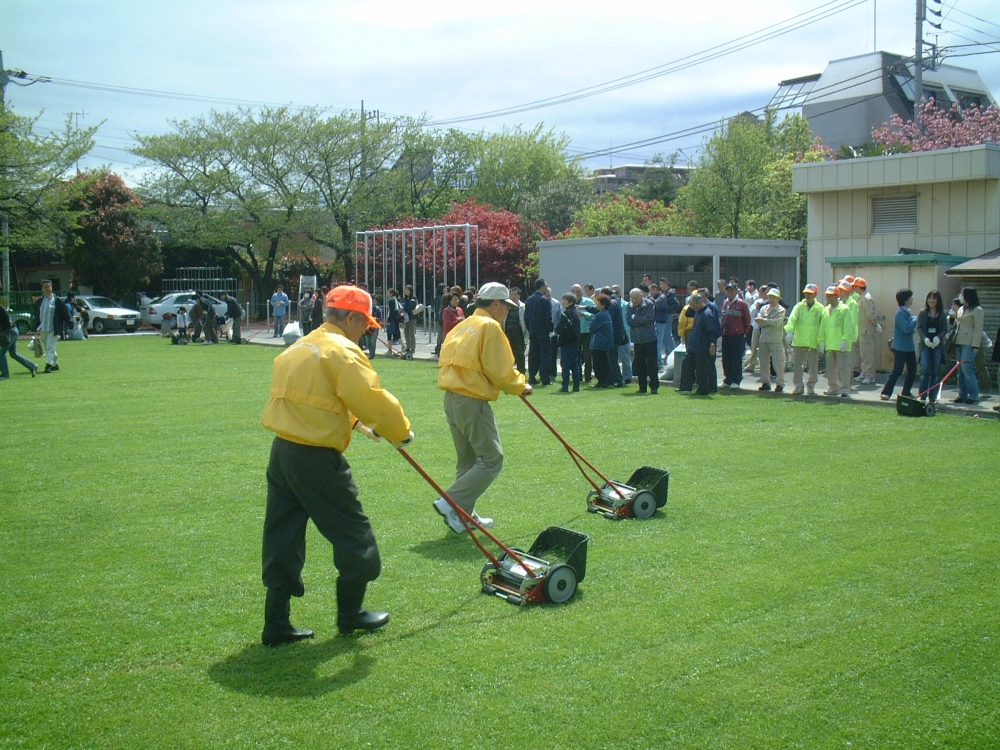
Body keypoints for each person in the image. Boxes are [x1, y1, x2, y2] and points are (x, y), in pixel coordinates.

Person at [260, 285, 412, 646]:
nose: (366, 331)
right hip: (315, 458)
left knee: (282, 538)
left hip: (283, 453)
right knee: (353, 534)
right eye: (365, 325)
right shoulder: (343, 351)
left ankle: (276, 624)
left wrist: (356, 424)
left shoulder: (300, 346)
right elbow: (374, 399)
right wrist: (401, 433)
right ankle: (351, 615)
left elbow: (315, 398)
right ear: (352, 317)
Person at [434, 282, 532, 533]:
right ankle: (452, 502)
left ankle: (464, 516)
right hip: (471, 398)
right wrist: (520, 385)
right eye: (506, 307)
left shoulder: (463, 324)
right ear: (496, 304)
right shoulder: (490, 326)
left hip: (451, 397)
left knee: (467, 461)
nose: (508, 311)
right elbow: (499, 368)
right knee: (491, 458)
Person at [784, 284, 825, 395]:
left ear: (815, 294)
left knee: (813, 366)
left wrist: (821, 340)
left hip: (813, 341)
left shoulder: (820, 308)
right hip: (799, 340)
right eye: (806, 293)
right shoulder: (799, 306)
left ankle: (811, 386)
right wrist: (790, 332)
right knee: (797, 365)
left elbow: (823, 325)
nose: (808, 295)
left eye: (810, 293)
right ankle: (798, 386)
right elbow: (792, 319)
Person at [879, 289, 918, 401]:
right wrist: (916, 319)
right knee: (897, 370)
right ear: (905, 299)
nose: (912, 299)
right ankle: (886, 392)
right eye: (911, 297)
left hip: (909, 346)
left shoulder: (907, 311)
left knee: (912, 370)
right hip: (900, 347)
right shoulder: (900, 312)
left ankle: (906, 392)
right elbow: (906, 328)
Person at [951, 286, 984, 404]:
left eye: (962, 294)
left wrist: (976, 345)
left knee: (966, 368)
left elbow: (978, 329)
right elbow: (956, 324)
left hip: (969, 343)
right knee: (959, 369)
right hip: (958, 341)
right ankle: (962, 394)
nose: (961, 297)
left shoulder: (977, 310)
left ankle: (974, 395)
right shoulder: (961, 309)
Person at [684, 293, 721, 395]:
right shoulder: (698, 312)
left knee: (703, 370)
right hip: (696, 345)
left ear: (700, 302)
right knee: (692, 367)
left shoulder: (707, 314)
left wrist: (712, 344)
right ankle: (691, 387)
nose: (692, 307)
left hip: (703, 346)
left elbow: (712, 330)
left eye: (693, 305)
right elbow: (688, 313)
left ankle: (704, 389)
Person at [33, 280, 73, 373]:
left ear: (51, 288)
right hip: (43, 328)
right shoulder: (39, 301)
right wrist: (35, 327)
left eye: (48, 286)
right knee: (49, 347)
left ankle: (48, 365)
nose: (47, 289)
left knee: (50, 346)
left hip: (54, 328)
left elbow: (65, 313)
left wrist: (70, 323)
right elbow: (36, 315)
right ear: (42, 289)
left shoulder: (57, 300)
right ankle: (55, 364)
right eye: (45, 287)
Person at [916, 291, 946, 403]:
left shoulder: (942, 314)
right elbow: (918, 328)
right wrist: (925, 338)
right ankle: (922, 396)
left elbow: (944, 329)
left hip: (937, 346)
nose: (931, 301)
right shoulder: (922, 313)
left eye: (934, 298)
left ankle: (933, 397)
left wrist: (939, 337)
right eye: (929, 298)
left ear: (938, 300)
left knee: (936, 371)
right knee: (925, 369)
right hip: (926, 345)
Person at [626, 288, 658, 394]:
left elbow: (649, 319)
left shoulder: (649, 304)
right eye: (632, 298)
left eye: (636, 298)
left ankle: (654, 387)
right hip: (637, 340)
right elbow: (629, 321)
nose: (634, 301)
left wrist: (636, 319)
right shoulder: (629, 306)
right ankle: (642, 387)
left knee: (651, 363)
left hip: (650, 339)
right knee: (640, 365)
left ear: (641, 296)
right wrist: (640, 320)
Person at [821, 285, 851, 397]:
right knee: (831, 369)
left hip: (841, 344)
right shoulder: (825, 310)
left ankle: (845, 388)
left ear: (837, 296)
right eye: (827, 296)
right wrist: (821, 341)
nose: (828, 298)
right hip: (829, 344)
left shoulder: (844, 309)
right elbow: (822, 327)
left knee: (843, 367)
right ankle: (833, 387)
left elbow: (849, 327)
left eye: (831, 296)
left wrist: (845, 340)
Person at [720, 282, 751, 388]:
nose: (729, 293)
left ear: (736, 291)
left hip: (737, 335)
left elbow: (747, 321)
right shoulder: (725, 303)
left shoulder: (742, 304)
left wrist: (743, 333)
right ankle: (727, 379)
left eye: (731, 290)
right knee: (726, 358)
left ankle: (736, 380)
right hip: (726, 334)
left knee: (736, 358)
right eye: (727, 291)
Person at [755, 288, 786, 392]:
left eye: (774, 297)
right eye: (770, 297)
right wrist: (767, 321)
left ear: (778, 299)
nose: (771, 299)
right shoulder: (763, 308)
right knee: (763, 362)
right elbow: (758, 320)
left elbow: (777, 323)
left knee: (778, 363)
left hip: (775, 339)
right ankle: (765, 383)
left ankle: (780, 384)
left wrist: (765, 321)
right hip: (763, 338)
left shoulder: (781, 310)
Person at [525, 278, 552, 386]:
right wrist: (550, 329)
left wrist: (530, 327)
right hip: (543, 331)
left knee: (533, 354)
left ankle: (532, 376)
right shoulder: (544, 300)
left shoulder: (529, 300)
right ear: (542, 286)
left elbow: (526, 317)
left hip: (532, 330)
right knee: (544, 355)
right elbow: (548, 317)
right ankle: (545, 378)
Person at [853, 278, 880, 385]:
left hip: (867, 331)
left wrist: (875, 324)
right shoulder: (862, 298)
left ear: (857, 287)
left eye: (854, 286)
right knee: (863, 354)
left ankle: (870, 376)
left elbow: (871, 314)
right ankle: (864, 374)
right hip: (862, 331)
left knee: (868, 354)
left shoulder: (866, 298)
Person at [1, 303, 38, 379]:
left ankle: (5, 374)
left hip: (10, 332)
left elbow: (7, 323)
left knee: (1, 354)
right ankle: (32, 366)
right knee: (13, 353)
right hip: (13, 331)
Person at [555, 292, 582, 392]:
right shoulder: (575, 312)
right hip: (575, 342)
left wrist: (555, 332)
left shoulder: (566, 313)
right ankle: (576, 386)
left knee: (565, 365)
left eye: (564, 300)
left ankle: (565, 386)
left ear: (570, 302)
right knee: (574, 365)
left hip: (566, 343)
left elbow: (559, 328)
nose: (563, 302)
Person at [588, 294, 615, 388]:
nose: (596, 305)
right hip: (605, 342)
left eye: (598, 303)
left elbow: (591, 327)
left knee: (598, 363)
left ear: (603, 305)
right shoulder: (607, 314)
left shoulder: (601, 315)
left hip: (600, 343)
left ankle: (602, 381)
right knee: (605, 363)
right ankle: (607, 381)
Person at [503, 287, 528, 374]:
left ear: (519, 295)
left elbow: (525, 321)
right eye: (511, 294)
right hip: (507, 332)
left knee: (520, 354)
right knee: (507, 354)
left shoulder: (523, 307)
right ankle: (508, 373)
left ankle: (521, 373)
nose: (512, 296)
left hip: (518, 332)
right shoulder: (506, 306)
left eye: (514, 294)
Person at [402, 285, 418, 357]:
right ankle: (408, 347)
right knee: (406, 333)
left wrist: (405, 307)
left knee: (411, 333)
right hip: (405, 318)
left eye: (408, 290)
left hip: (412, 318)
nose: (406, 292)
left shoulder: (413, 298)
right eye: (406, 290)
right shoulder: (405, 298)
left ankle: (413, 348)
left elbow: (412, 307)